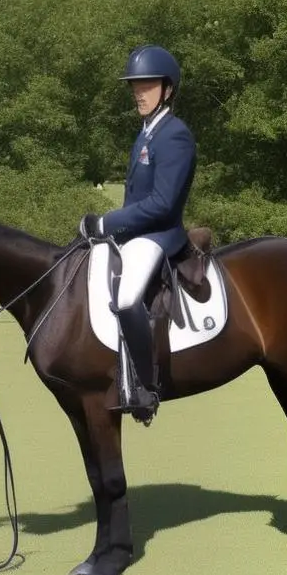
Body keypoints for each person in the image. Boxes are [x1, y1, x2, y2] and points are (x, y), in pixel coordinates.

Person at [79, 44, 197, 417]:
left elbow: (163, 204)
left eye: (146, 85)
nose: (138, 92)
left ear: (168, 89)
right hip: (136, 233)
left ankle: (147, 388)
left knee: (128, 297)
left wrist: (106, 222)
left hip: (159, 235)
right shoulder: (146, 132)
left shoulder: (174, 135)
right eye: (135, 86)